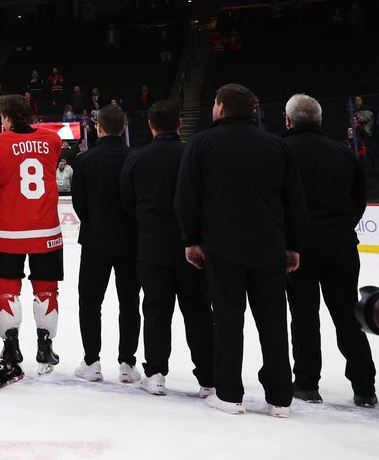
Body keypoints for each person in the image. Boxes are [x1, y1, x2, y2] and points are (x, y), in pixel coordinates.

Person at [176, 83, 307, 417]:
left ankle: (230, 393)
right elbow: (294, 201)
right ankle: (280, 398)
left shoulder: (202, 144)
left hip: (223, 248)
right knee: (274, 323)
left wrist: (191, 239)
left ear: (220, 107)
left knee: (228, 320)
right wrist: (293, 245)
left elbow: (187, 197)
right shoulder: (277, 146)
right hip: (269, 248)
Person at [281, 94, 376, 407]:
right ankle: (364, 387)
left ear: (288, 120)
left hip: (299, 247)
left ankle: (307, 383)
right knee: (348, 314)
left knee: (304, 315)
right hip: (340, 244)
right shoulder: (342, 152)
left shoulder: (281, 152)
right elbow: (358, 200)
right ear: (319, 120)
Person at [121, 101, 214, 396]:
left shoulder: (137, 159)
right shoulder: (195, 154)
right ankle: (208, 378)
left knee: (156, 311)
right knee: (198, 312)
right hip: (193, 247)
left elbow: (128, 203)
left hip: (152, 248)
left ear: (151, 125)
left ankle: (157, 373)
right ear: (178, 125)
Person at [0, 94, 64, 373]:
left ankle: (11, 345)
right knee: (46, 289)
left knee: (7, 291)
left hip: (8, 229)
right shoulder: (52, 140)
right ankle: (45, 347)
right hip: (46, 228)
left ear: (5, 117)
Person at [70, 103, 140, 383]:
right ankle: (126, 362)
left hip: (95, 240)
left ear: (97, 129)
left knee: (89, 301)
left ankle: (92, 361)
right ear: (123, 128)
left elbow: (79, 203)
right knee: (130, 302)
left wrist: (93, 224)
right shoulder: (134, 157)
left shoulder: (84, 160)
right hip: (130, 241)